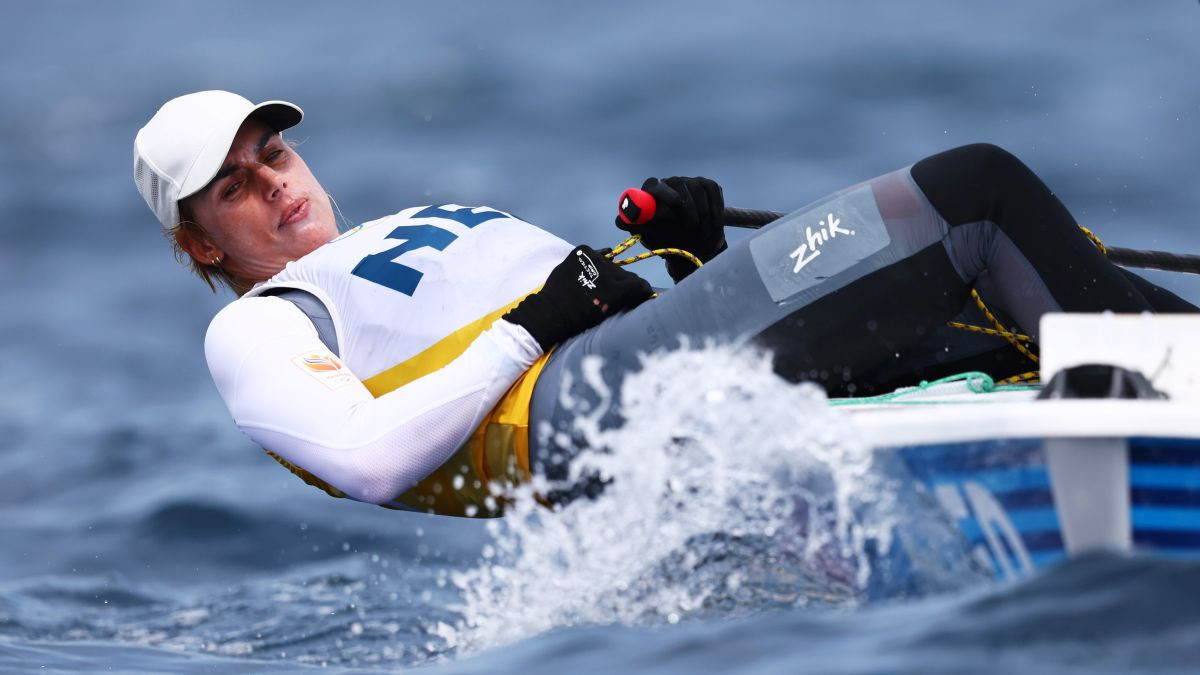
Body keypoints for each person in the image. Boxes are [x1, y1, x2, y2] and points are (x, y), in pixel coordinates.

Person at [133, 91, 1195, 517]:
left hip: (627, 377)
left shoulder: (395, 226)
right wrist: (529, 328)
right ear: (197, 242)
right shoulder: (256, 326)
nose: (275, 182)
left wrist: (687, 260)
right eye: (235, 187)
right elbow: (366, 462)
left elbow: (684, 337)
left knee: (995, 325)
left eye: (272, 152)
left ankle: (1162, 397)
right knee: (971, 191)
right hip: (571, 409)